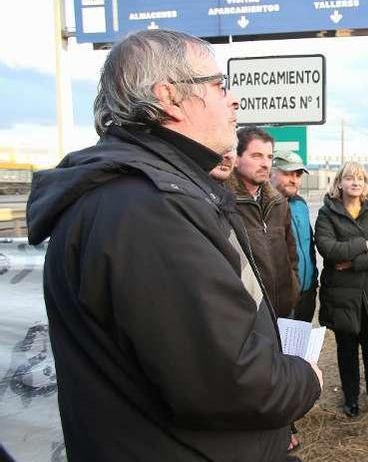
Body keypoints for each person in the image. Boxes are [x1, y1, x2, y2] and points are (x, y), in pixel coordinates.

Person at [26, 29, 322, 462]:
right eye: (220, 86)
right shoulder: (146, 210)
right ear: (169, 97)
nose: (234, 100)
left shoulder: (158, 192)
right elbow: (225, 380)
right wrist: (305, 378)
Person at [315, 161, 368, 417]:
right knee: (346, 350)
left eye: (360, 178)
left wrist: (353, 261)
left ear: (365, 183)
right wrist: (365, 243)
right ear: (339, 182)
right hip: (342, 295)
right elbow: (328, 248)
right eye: (350, 177)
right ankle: (351, 397)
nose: (355, 182)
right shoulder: (327, 213)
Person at [228, 126, 301, 318]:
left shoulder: (278, 203)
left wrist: (293, 288)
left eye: (269, 157)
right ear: (236, 159)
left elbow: (291, 255)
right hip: (247, 315)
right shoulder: (224, 202)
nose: (265, 163)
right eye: (256, 156)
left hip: (284, 309)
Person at [271, 151, 319, 322]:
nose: (294, 179)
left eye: (297, 174)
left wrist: (313, 282)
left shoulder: (300, 204)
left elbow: (309, 246)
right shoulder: (263, 207)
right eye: (287, 173)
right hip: (281, 299)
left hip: (306, 294)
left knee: (302, 347)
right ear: (271, 172)